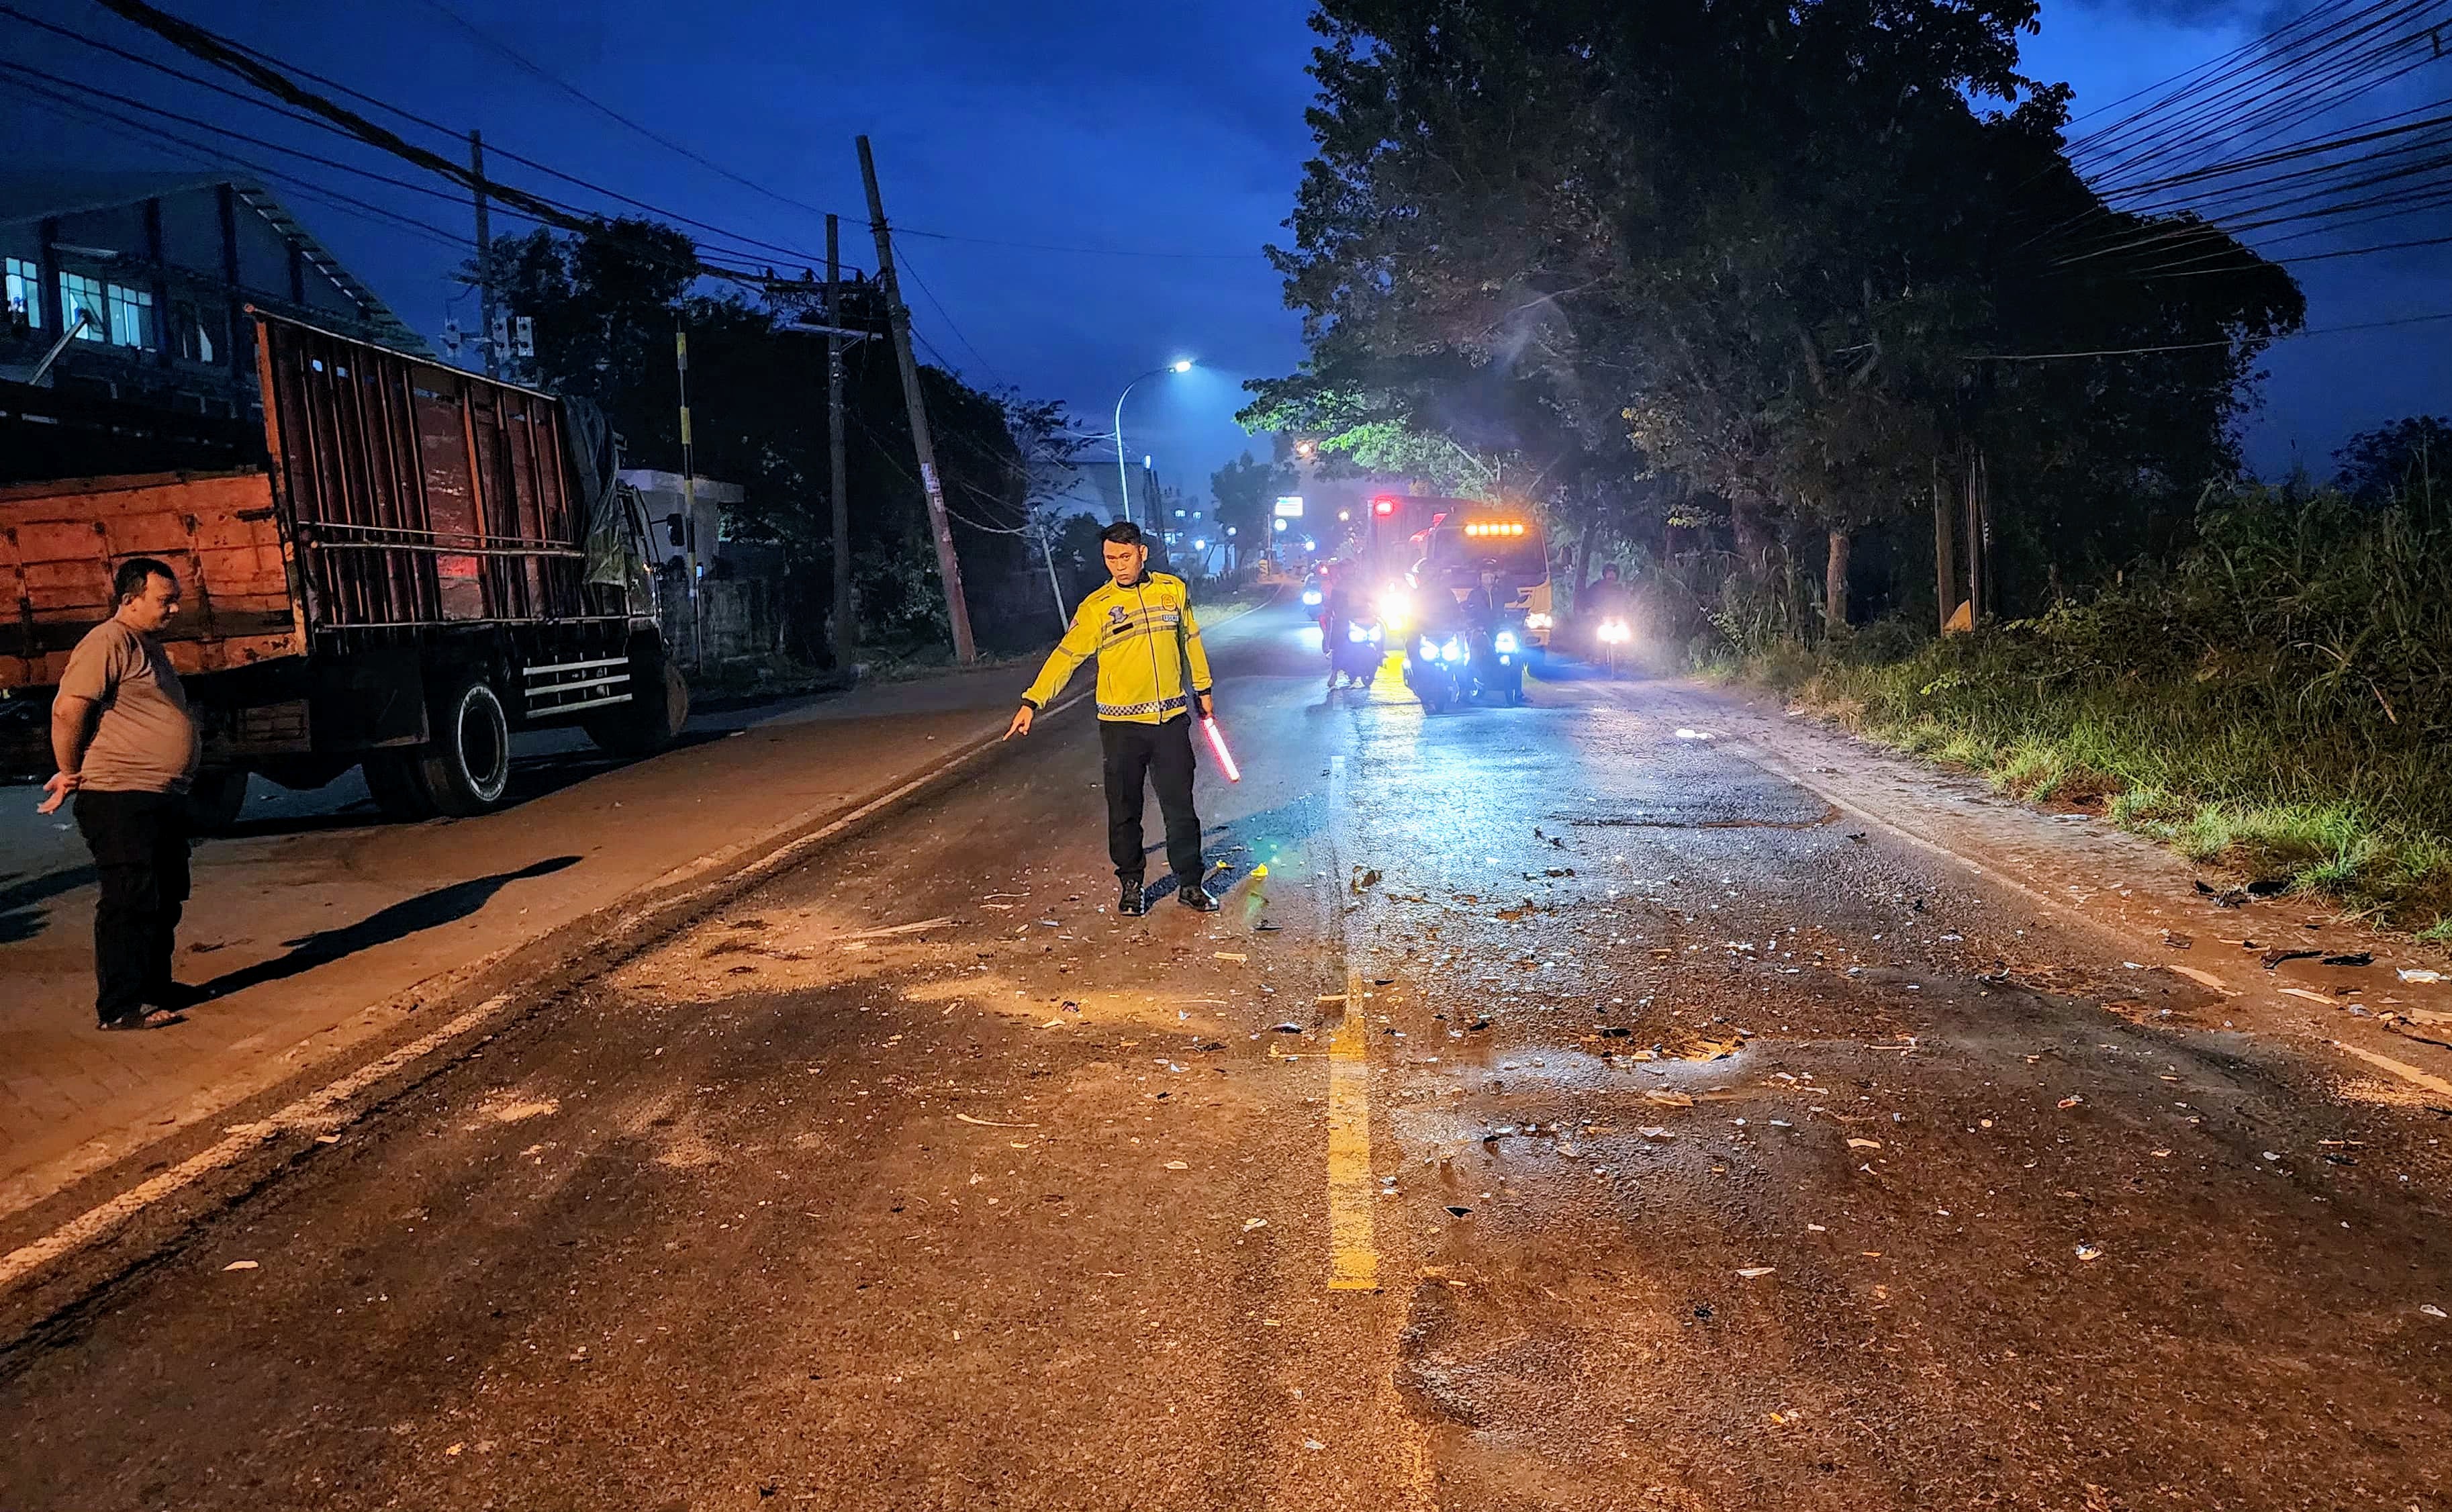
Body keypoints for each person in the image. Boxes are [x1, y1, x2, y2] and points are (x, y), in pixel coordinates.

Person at [1006, 522, 1220, 917]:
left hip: (1170, 721)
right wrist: (1033, 701)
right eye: (1110, 558)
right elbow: (1067, 656)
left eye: (1125, 556)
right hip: (1121, 728)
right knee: (1124, 808)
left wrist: (1203, 689)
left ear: (1142, 553)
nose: (1118, 565)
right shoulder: (1097, 607)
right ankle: (1132, 885)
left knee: (1180, 808)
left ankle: (1190, 884)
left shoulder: (1173, 590)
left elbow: (1190, 641)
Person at [38, 557, 204, 1031]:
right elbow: (68, 711)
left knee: (165, 895)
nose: (174, 610)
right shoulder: (107, 641)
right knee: (130, 898)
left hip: (158, 795)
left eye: (176, 600)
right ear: (130, 600)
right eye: (165, 601)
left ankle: (154, 987)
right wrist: (68, 771)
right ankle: (120, 1006)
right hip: (119, 795)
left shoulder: (147, 645)